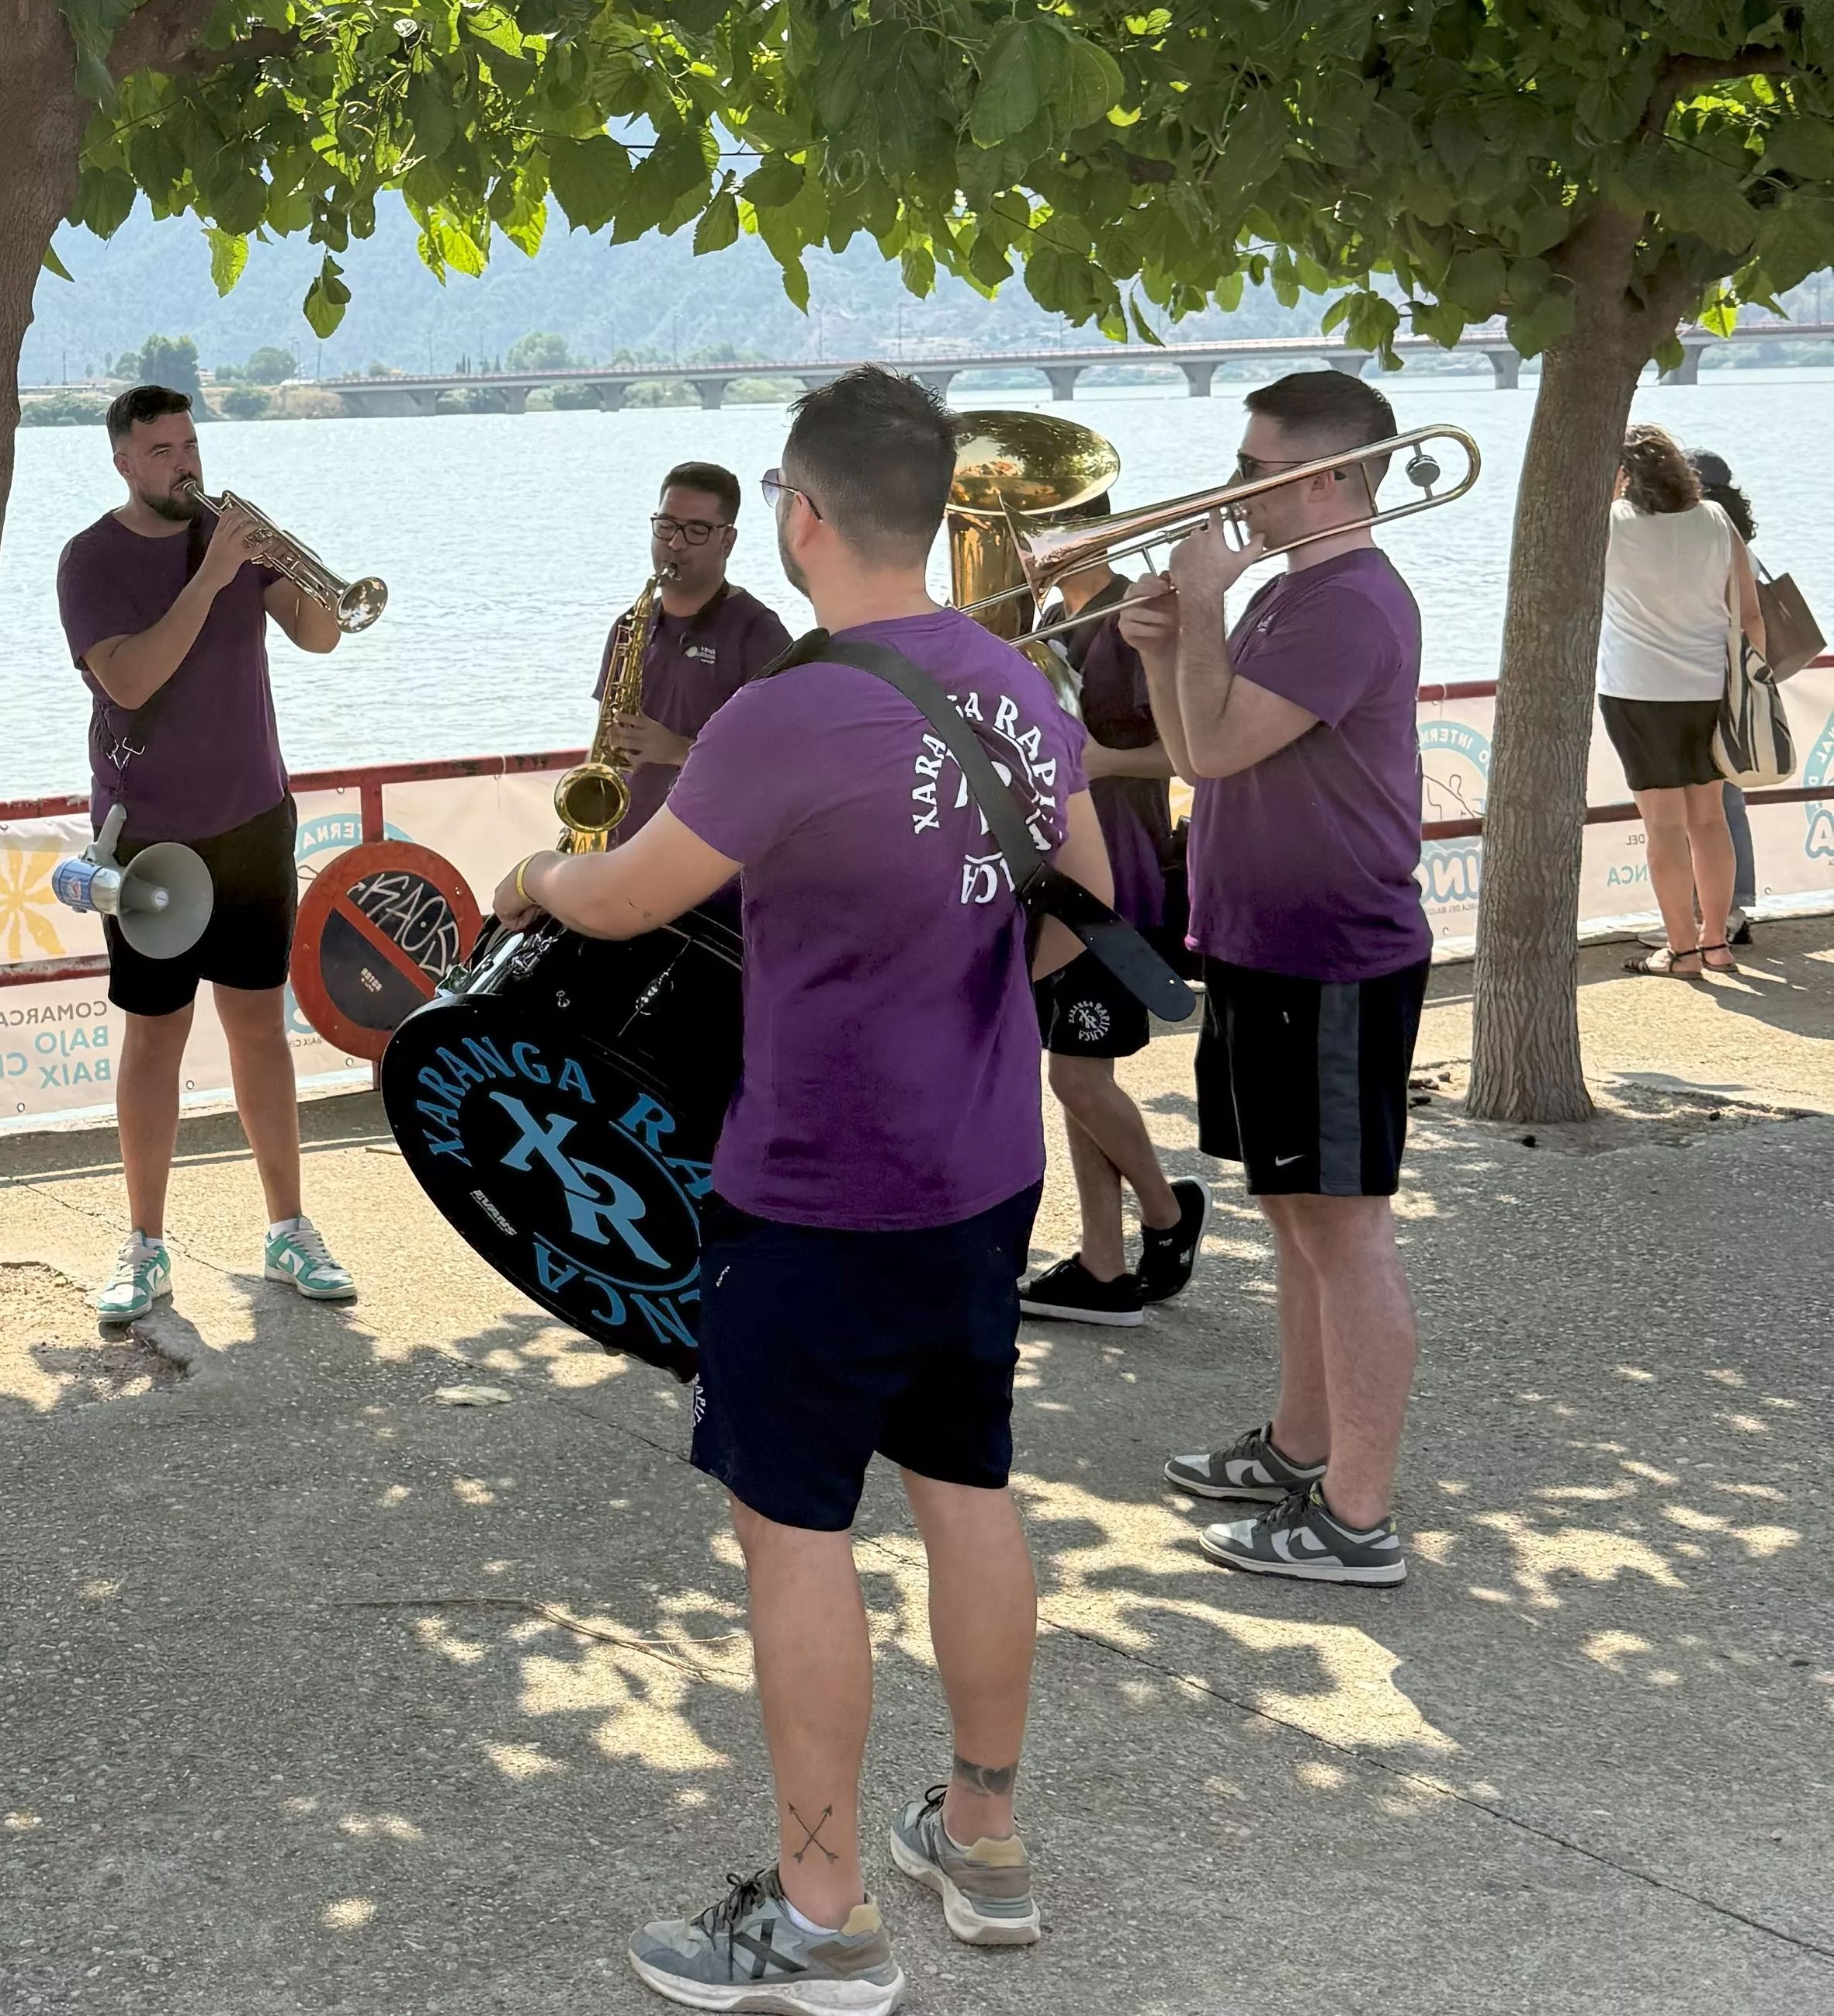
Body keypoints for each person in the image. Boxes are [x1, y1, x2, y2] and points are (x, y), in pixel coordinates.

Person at [498, 369, 1105, 2016]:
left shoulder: (790, 709)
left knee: (800, 1539)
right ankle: (981, 1843)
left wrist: (532, 873)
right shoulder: (1027, 690)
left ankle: (824, 1918)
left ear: (807, 513)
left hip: (820, 1187)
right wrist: (962, 990)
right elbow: (1096, 909)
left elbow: (624, 899)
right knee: (967, 1485)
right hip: (981, 1177)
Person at [1116, 370, 1428, 1588]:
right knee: (1294, 1217)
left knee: (1346, 1231)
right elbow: (1197, 749)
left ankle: (1356, 1518)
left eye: (1256, 471)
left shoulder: (1347, 600)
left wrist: (1199, 601)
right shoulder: (1295, 597)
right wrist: (1161, 642)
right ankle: (1304, 1447)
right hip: (1258, 942)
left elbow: (1232, 738)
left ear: (1334, 478)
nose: (1232, 489)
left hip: (1332, 951)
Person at [57, 383, 350, 1321]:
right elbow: (131, 675)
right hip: (150, 834)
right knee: (156, 1035)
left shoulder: (227, 537)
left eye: (189, 444)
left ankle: (289, 1228)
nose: (183, 463)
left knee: (261, 1025)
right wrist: (213, 575)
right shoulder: (91, 560)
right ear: (121, 462)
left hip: (255, 817)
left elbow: (321, 636)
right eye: (160, 451)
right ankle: (144, 1243)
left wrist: (287, 565)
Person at [1015, 537, 1208, 1325]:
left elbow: (1189, 755)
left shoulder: (1135, 616)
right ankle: (1102, 1263)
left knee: (1076, 1077)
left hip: (1117, 880)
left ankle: (1166, 1217)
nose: (1022, 551)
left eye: (1033, 531)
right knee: (1077, 1068)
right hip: (1051, 873)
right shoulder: (1045, 620)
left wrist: (1094, 760)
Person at [1597, 427, 1757, 975]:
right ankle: (1717, 944)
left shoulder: (1609, 526)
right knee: (1709, 821)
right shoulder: (1717, 521)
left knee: (1663, 827)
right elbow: (1751, 615)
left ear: (1623, 476)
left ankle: (1681, 950)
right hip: (1709, 688)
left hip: (1635, 692)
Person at [584, 462, 794, 838]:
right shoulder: (628, 626)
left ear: (727, 542)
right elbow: (602, 746)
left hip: (711, 861)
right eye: (666, 526)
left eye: (696, 531)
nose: (675, 543)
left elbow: (784, 765)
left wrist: (679, 751)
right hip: (623, 847)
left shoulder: (759, 634)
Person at [1690, 450, 1762, 943]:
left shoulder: (1704, 540)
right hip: (1735, 678)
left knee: (1714, 803)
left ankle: (1720, 913)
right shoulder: (1740, 544)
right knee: (1725, 797)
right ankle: (1731, 909)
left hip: (1703, 680)